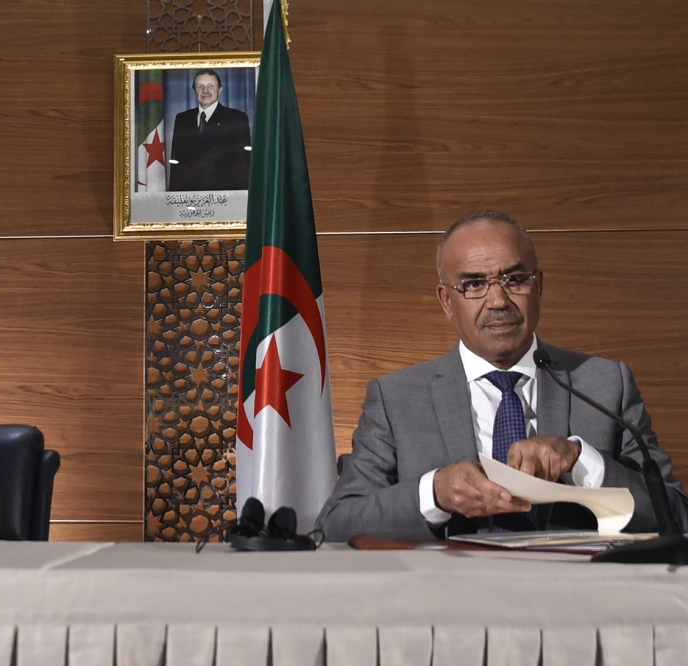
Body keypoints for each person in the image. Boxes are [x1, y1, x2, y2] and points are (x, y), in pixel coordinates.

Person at [316, 211, 688, 541]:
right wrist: (435, 493)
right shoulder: (396, 397)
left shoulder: (605, 384)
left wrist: (582, 459)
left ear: (538, 286)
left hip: (577, 602)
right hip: (449, 605)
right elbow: (338, 521)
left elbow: (677, 514)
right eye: (474, 284)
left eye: (514, 279)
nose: (498, 301)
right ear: (447, 301)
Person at [168, 69, 251, 192]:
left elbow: (243, 165)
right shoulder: (182, 119)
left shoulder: (236, 118)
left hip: (224, 196)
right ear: (194, 90)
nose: (205, 91)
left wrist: (241, 201)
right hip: (189, 196)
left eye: (210, 86)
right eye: (200, 86)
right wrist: (173, 199)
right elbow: (176, 165)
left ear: (220, 90)